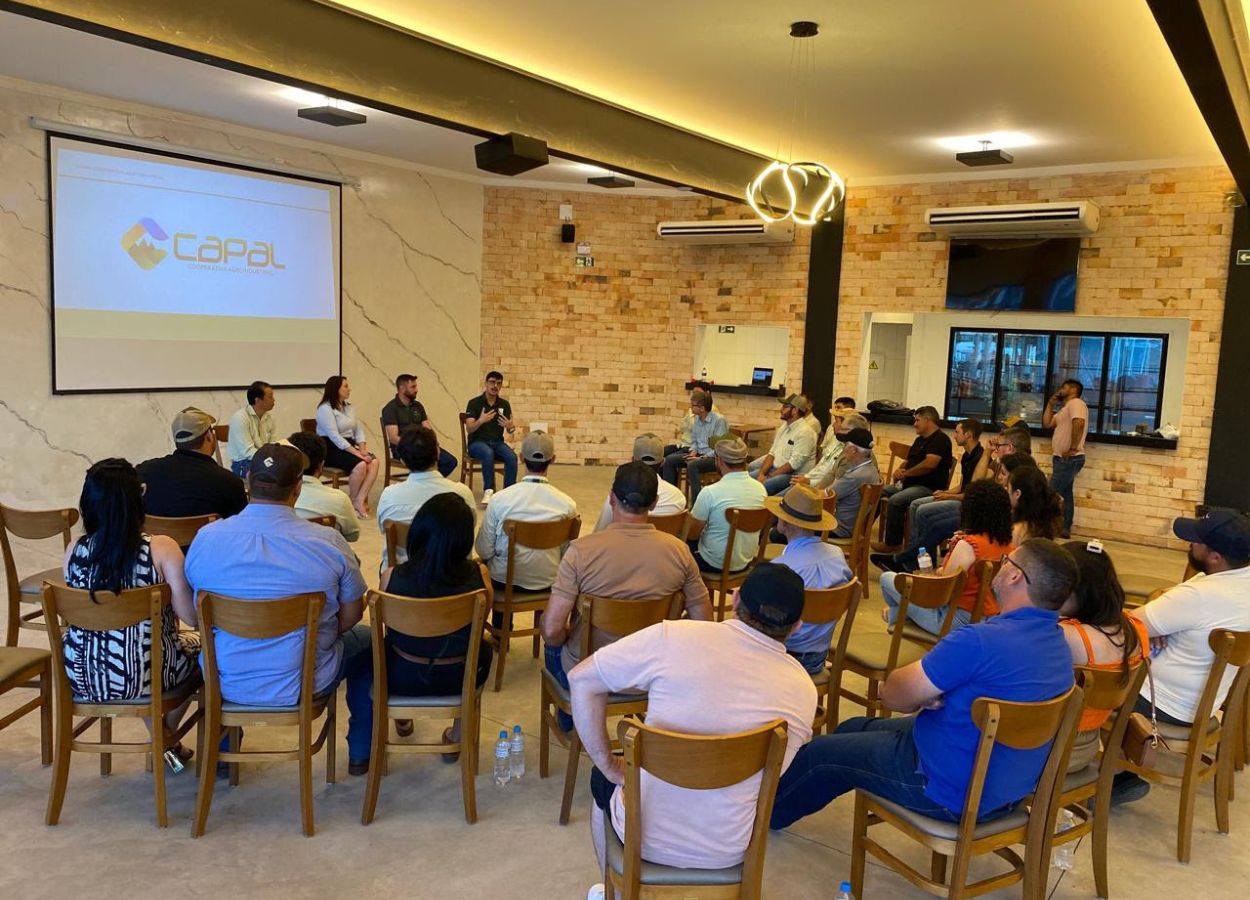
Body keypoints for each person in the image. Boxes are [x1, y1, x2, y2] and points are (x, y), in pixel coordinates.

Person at [770, 539, 1078, 830]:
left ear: (1014, 576)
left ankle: (762, 818)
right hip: (1005, 789)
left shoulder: (980, 641)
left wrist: (923, 693)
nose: (1000, 564)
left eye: (1006, 560)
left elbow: (892, 696)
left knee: (821, 754)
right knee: (852, 728)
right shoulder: (1060, 648)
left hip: (946, 788)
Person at [571, 562, 816, 886]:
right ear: (797, 626)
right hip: (729, 846)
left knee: (601, 782)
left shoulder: (673, 636)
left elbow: (581, 679)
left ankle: (616, 893)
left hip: (641, 832)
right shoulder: (804, 690)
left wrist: (611, 767)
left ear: (735, 598)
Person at [184, 444, 374, 775]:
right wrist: (321, 634)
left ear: (247, 480)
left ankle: (223, 757)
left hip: (225, 680)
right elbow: (352, 614)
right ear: (298, 487)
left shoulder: (206, 539)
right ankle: (361, 752)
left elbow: (193, 613)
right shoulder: (327, 542)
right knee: (370, 643)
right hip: (303, 679)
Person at [543, 462, 712, 729]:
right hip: (652, 674)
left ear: (611, 497)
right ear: (654, 503)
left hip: (591, 671)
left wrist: (569, 637)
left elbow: (552, 630)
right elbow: (703, 624)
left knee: (552, 640)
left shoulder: (581, 552)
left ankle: (572, 716)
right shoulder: (680, 552)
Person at [60, 458, 200, 765]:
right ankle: (165, 741)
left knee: (141, 651)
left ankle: (166, 744)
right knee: (205, 652)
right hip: (145, 675)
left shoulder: (74, 550)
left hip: (85, 676)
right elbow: (191, 617)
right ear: (136, 501)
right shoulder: (161, 549)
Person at [1116, 511, 1250, 803]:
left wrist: (1150, 625)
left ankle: (1115, 777)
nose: (1189, 545)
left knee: (1087, 676)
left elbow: (1126, 627)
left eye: (1196, 542)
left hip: (1162, 705)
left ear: (1215, 557)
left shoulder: (1198, 596)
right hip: (1209, 704)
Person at [377, 492, 493, 757]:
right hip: (458, 677)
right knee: (482, 648)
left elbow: (390, 630)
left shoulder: (391, 577)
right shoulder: (479, 576)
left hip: (401, 677)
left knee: (385, 646)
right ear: (464, 540)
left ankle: (402, 718)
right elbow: (480, 624)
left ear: (418, 532)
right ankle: (457, 734)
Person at [1058, 540, 1148, 772]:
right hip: (1089, 743)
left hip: (1052, 749)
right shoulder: (1135, 628)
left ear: (1077, 591)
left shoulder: (1070, 636)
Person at [880, 480, 1014, 635]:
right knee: (900, 603)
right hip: (991, 618)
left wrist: (937, 570)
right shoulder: (1011, 546)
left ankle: (899, 614)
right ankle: (899, 613)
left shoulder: (969, 545)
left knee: (888, 578)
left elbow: (941, 591)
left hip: (953, 620)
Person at [873, 418, 988, 572]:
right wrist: (946, 492)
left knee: (920, 509)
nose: (954, 436)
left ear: (967, 435)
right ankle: (921, 558)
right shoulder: (967, 455)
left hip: (963, 504)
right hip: (958, 498)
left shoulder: (980, 457)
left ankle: (913, 558)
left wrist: (949, 496)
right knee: (915, 505)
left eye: (957, 432)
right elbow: (962, 485)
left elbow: (972, 493)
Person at [474, 431, 578, 593]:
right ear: (553, 459)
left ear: (521, 458)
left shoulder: (500, 499)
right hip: (548, 580)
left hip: (503, 581)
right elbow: (566, 555)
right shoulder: (567, 504)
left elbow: (484, 550)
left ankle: (502, 619)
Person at [768, 483, 854, 673]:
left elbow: (767, 626)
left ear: (784, 523)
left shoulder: (781, 569)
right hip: (818, 658)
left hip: (785, 658)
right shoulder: (837, 554)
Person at [376, 425, 476, 565]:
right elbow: (469, 529)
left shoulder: (389, 495)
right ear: (438, 452)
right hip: (452, 578)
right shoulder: (462, 493)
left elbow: (383, 528)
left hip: (404, 578)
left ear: (403, 461)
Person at [137, 407, 247, 521]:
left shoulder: (145, 471)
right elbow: (242, 527)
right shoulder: (230, 482)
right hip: (207, 539)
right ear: (209, 436)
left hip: (156, 537)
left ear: (176, 440)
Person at [686, 437, 767, 573]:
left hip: (714, 562)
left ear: (719, 460)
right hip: (745, 561)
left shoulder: (710, 492)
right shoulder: (761, 489)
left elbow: (692, 534)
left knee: (679, 546)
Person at [879, 406, 953, 549]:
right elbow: (909, 460)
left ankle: (893, 544)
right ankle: (863, 531)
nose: (914, 424)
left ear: (928, 420)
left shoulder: (940, 439)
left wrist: (905, 474)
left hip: (927, 487)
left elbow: (929, 464)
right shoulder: (920, 440)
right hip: (910, 484)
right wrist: (900, 470)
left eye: (917, 420)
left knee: (896, 500)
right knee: (879, 491)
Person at [315, 375, 381, 519]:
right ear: (335, 389)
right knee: (361, 465)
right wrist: (358, 455)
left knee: (374, 462)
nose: (349, 389)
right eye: (345, 386)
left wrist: (362, 450)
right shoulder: (325, 409)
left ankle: (357, 499)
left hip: (349, 446)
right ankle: (352, 501)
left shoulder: (349, 408)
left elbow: (359, 431)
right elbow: (334, 436)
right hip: (330, 448)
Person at [592, 433, 686, 533]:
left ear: (633, 460)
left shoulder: (618, 498)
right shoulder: (678, 498)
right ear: (663, 462)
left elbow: (599, 533)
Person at [287, 431, 360, 543]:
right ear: (321, 466)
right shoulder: (339, 499)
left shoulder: (276, 500)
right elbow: (353, 535)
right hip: (326, 558)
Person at [381, 373, 458, 479]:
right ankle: (424, 485)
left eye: (416, 386)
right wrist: (413, 444)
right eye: (413, 387)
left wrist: (435, 444)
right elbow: (393, 438)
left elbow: (428, 428)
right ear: (402, 388)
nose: (416, 389)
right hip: (403, 447)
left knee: (450, 461)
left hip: (423, 445)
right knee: (424, 463)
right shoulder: (390, 408)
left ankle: (430, 486)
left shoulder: (418, 406)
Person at [660, 389, 728, 502]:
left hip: (714, 457)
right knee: (669, 460)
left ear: (702, 408)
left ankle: (697, 502)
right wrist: (693, 452)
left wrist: (700, 457)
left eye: (693, 405)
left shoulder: (719, 420)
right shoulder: (697, 418)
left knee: (693, 464)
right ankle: (671, 497)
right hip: (698, 454)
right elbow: (695, 441)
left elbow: (719, 446)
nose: (691, 408)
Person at [1043, 379, 1088, 537]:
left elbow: (1079, 423)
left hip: (1069, 458)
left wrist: (1073, 448)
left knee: (1047, 492)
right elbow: (1048, 424)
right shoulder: (1065, 409)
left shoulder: (1077, 403)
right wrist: (1050, 405)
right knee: (1067, 494)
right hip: (1062, 458)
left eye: (1064, 387)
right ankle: (1065, 528)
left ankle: (1040, 527)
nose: (1061, 389)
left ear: (1074, 389)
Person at [817, 427, 881, 539]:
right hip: (849, 526)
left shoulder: (854, 477)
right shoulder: (871, 470)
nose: (843, 449)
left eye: (845, 445)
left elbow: (826, 497)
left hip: (838, 529)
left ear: (853, 450)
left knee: (782, 532)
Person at [748, 395, 817, 496]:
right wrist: (762, 473)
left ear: (795, 410)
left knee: (762, 487)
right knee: (745, 480)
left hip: (793, 475)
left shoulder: (805, 432)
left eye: (785, 407)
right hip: (776, 470)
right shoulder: (784, 427)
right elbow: (772, 453)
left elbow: (793, 464)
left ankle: (754, 510)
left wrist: (768, 477)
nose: (781, 409)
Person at [464, 370, 517, 500]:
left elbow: (510, 430)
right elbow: (469, 429)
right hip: (477, 443)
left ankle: (508, 493)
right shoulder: (474, 403)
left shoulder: (504, 404)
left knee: (512, 457)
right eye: (492, 382)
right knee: (488, 453)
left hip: (497, 443)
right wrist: (481, 421)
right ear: (486, 383)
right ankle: (489, 490)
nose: (495, 386)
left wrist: (510, 427)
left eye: (499, 383)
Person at [800, 411, 870, 493]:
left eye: (842, 428)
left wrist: (815, 492)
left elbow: (835, 490)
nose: (833, 425)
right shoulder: (846, 447)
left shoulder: (853, 455)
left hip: (837, 502)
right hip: (825, 492)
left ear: (852, 431)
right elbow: (831, 474)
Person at [225, 381, 276, 476]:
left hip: (263, 459)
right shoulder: (240, 418)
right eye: (270, 397)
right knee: (272, 474)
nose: (274, 400)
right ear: (258, 400)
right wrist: (269, 461)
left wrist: (275, 458)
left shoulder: (269, 417)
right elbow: (247, 452)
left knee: (286, 468)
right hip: (243, 463)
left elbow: (273, 444)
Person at [1008, 465, 1063, 545]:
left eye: (1008, 489)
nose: (1006, 492)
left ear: (1017, 494)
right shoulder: (1046, 523)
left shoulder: (1018, 530)